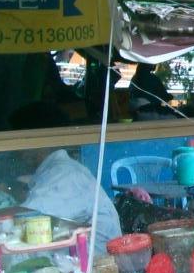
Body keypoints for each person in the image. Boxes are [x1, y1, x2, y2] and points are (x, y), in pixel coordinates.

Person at [7, 104, 122, 255]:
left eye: (17, 140)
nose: (15, 150)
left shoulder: (64, 173)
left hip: (96, 262)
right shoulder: (55, 168)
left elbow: (27, 216)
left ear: (37, 140)